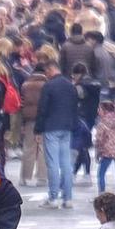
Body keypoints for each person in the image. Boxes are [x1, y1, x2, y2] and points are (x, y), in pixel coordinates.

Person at [34, 60, 78, 209]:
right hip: (67, 127)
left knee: (52, 163)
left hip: (51, 127)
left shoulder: (49, 86)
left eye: (46, 72)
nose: (46, 75)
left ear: (51, 69)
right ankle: (68, 198)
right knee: (66, 163)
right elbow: (74, 107)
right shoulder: (70, 85)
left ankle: (53, 197)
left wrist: (38, 130)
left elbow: (42, 109)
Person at [93, 98, 115, 196]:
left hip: (107, 151)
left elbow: (99, 139)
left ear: (104, 110)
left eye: (99, 109)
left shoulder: (102, 124)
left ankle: (102, 194)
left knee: (101, 173)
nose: (98, 111)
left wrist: (98, 152)